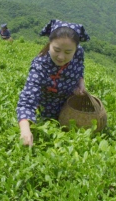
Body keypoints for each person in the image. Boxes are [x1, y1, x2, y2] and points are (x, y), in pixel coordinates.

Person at [17, 19, 89, 147]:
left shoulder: (79, 53)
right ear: (49, 43)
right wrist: (25, 130)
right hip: (47, 109)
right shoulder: (40, 65)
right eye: (56, 50)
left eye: (68, 52)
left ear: (75, 49)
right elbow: (27, 100)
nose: (61, 57)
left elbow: (80, 67)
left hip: (70, 104)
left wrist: (80, 84)